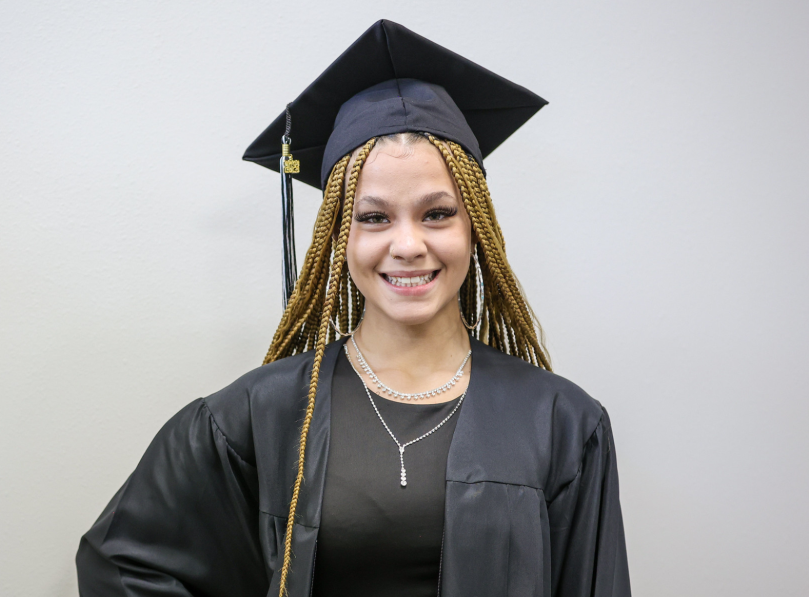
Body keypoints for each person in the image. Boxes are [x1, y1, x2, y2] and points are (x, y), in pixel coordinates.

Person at [76, 19, 630, 597]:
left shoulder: (560, 421)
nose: (409, 244)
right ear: (339, 238)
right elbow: (122, 566)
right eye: (374, 217)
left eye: (437, 213)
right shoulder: (261, 413)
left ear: (476, 230)